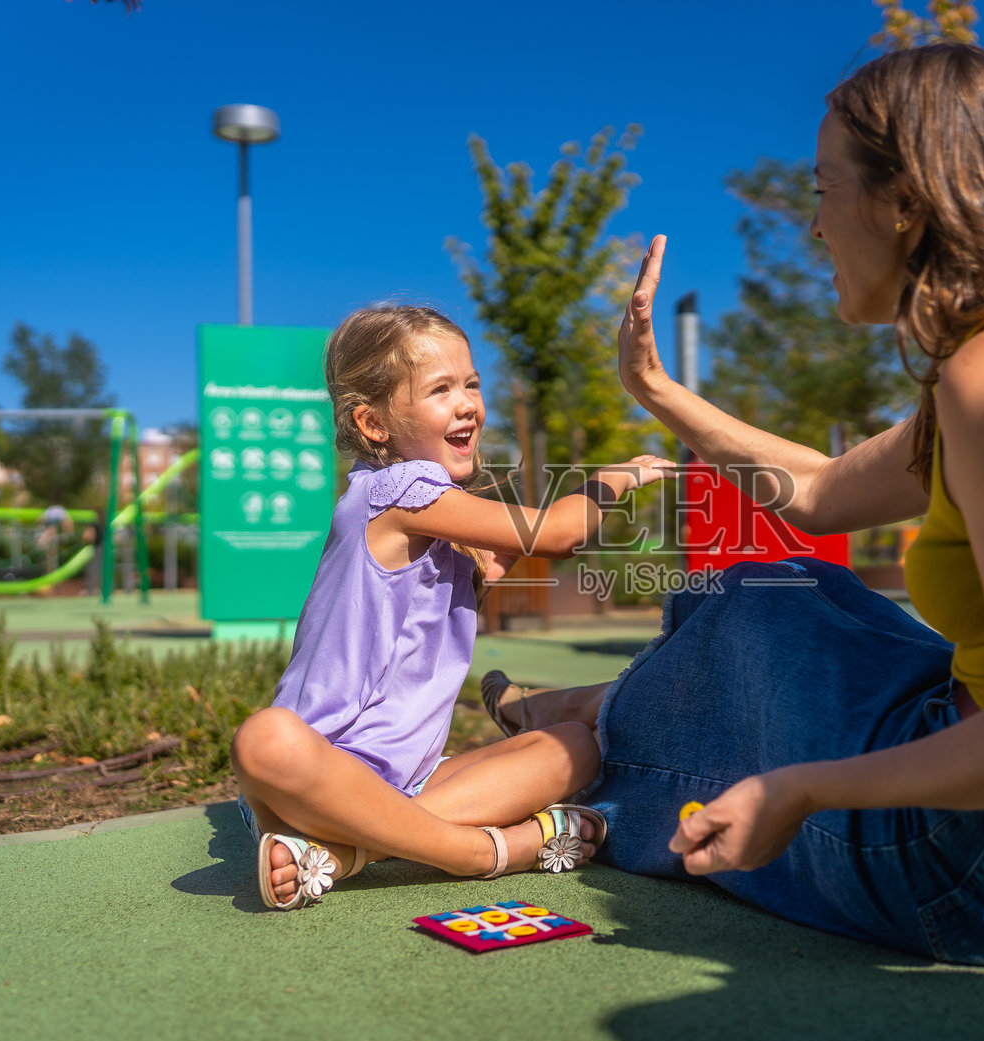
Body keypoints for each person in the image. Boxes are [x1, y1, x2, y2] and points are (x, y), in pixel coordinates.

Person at [481, 43, 984, 965]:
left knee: (738, 642)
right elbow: (817, 491)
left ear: (906, 201)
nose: (814, 228)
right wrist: (655, 387)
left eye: (820, 190)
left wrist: (801, 792)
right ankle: (592, 705)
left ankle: (584, 726)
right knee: (786, 590)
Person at [231, 304, 673, 910]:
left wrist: (500, 546)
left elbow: (488, 569)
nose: (468, 403)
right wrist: (616, 480)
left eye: (471, 383)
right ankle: (484, 852)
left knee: (572, 744)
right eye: (441, 389)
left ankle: (340, 853)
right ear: (374, 423)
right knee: (266, 739)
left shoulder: (432, 509)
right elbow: (557, 534)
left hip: (406, 780)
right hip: (322, 769)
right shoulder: (398, 493)